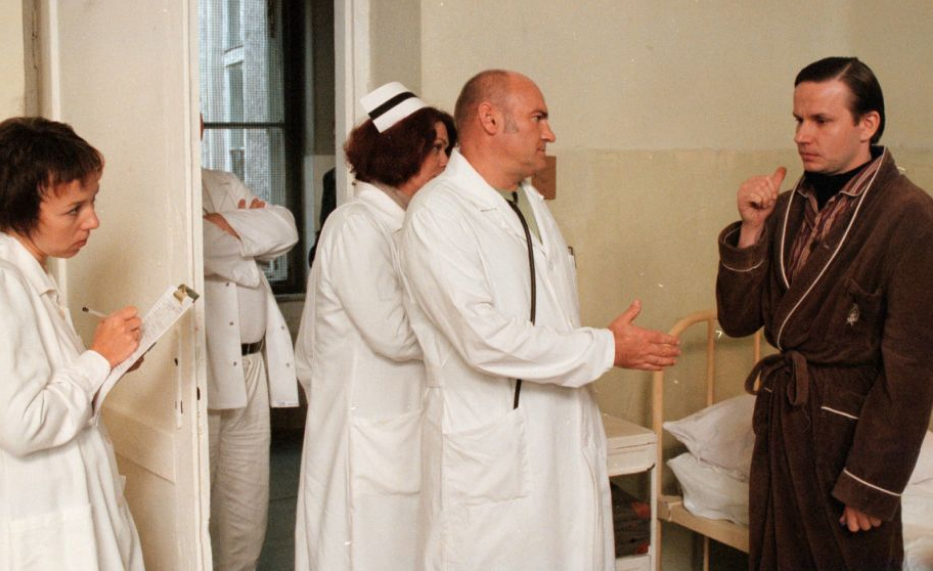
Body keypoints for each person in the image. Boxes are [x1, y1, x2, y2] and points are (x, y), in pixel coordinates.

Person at [399, 70, 681, 570]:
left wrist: (600, 348)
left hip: (558, 436)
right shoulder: (437, 213)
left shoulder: (528, 201)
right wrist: (607, 348)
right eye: (538, 118)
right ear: (490, 119)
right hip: (493, 451)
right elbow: (482, 337)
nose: (549, 133)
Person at [716, 57, 933, 570]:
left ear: (867, 124)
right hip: (783, 431)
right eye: (798, 119)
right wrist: (751, 230)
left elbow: (911, 371)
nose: (801, 135)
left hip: (849, 447)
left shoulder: (910, 217)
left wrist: (871, 484)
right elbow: (737, 320)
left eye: (821, 120)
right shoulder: (785, 209)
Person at [293, 82, 456, 571]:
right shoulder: (356, 226)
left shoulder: (402, 224)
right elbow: (394, 334)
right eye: (438, 148)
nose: (446, 162)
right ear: (404, 151)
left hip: (393, 423)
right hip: (364, 431)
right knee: (362, 548)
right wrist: (465, 329)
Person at [0, 117, 145, 569]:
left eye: (92, 201)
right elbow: (23, 424)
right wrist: (97, 358)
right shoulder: (3, 283)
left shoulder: (29, 274)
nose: (93, 221)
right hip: (49, 536)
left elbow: (49, 389)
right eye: (74, 210)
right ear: (18, 210)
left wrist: (110, 364)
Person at [201, 117, 299, 570]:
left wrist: (221, 229)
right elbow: (196, 242)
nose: (199, 124)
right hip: (204, 368)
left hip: (254, 363)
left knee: (248, 500)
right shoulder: (163, 188)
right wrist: (248, 248)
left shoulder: (221, 182)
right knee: (201, 497)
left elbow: (285, 228)